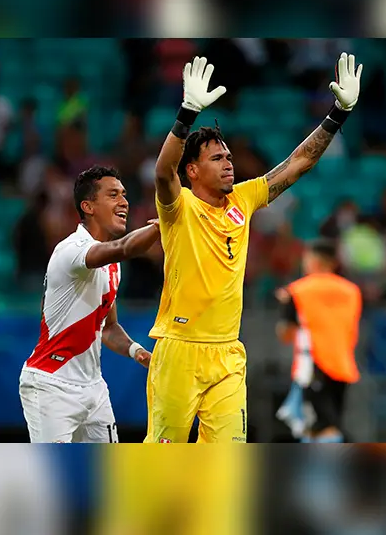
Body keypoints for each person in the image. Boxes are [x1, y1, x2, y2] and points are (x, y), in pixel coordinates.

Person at [145, 53, 363, 443]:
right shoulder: (179, 206)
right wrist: (187, 112)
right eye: (217, 158)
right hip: (180, 350)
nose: (229, 163)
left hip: (228, 353)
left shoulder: (243, 198)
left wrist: (338, 114)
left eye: (229, 156)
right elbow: (163, 171)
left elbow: (297, 163)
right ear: (192, 170)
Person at [19, 166, 161, 443]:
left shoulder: (113, 266)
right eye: (113, 195)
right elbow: (124, 248)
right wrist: (163, 224)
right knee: (55, 470)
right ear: (88, 206)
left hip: (94, 389)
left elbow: (108, 327)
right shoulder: (71, 250)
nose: (124, 202)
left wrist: (137, 351)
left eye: (124, 194)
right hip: (51, 384)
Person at [275, 240, 362, 443]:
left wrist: (285, 305)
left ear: (314, 260)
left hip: (313, 366)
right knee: (330, 422)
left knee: (318, 428)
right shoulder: (351, 291)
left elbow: (285, 334)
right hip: (342, 365)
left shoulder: (298, 291)